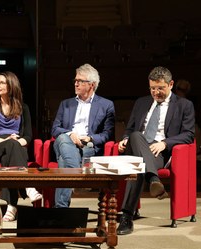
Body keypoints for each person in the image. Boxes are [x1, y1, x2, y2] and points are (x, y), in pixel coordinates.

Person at [117, 66, 195, 235]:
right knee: (137, 136)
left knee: (137, 165)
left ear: (171, 84)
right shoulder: (141, 102)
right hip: (137, 144)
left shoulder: (184, 105)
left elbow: (189, 135)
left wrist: (165, 143)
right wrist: (124, 139)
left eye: (160, 88)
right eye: (153, 88)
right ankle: (153, 179)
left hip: (159, 153)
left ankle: (126, 218)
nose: (156, 92)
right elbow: (130, 129)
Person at [51, 63, 115, 208]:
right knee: (62, 138)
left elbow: (107, 134)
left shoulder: (106, 105)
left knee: (64, 160)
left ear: (92, 85)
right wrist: (70, 134)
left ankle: (61, 210)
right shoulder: (65, 104)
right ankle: (77, 179)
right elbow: (55, 129)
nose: (76, 83)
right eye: (75, 80)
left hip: (88, 146)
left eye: (80, 81)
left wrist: (90, 138)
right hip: (65, 141)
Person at [0, 71, 42, 222]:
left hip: (17, 147)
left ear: (11, 85)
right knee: (10, 145)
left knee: (10, 155)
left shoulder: (23, 108)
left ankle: (11, 206)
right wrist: (7, 140)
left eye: (2, 83)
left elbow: (27, 136)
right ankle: (28, 186)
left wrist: (14, 142)